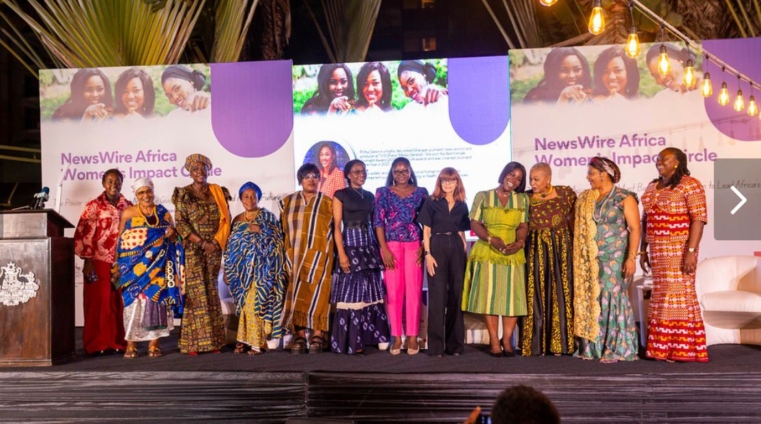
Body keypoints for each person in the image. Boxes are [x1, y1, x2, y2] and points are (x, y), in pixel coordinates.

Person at [640, 147, 708, 362]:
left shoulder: (690, 184)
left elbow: (698, 219)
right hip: (657, 251)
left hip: (679, 249)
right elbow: (645, 221)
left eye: (665, 159)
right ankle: (661, 348)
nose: (659, 162)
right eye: (658, 159)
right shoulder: (652, 186)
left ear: (677, 162)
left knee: (679, 297)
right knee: (661, 296)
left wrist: (691, 251)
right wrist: (643, 250)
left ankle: (683, 348)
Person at [573, 157, 640, 363]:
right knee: (593, 298)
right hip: (591, 259)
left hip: (616, 258)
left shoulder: (624, 197)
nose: (588, 177)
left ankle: (617, 348)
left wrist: (631, 258)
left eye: (591, 173)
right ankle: (594, 347)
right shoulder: (587, 198)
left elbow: (635, 228)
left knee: (613, 297)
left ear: (604, 174)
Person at [463, 162, 529, 357]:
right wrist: (491, 239)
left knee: (512, 299)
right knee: (489, 298)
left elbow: (523, 225)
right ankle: (494, 341)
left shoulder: (522, 199)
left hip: (513, 252)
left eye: (518, 178)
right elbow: (474, 222)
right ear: (504, 174)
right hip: (488, 249)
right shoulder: (483, 196)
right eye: (511, 174)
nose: (514, 180)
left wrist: (520, 242)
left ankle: (506, 340)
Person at [116, 177, 184, 358]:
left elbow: (175, 238)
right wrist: (117, 264)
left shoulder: (163, 213)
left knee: (156, 302)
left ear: (153, 191)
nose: (145, 195)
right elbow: (120, 241)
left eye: (148, 191)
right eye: (141, 193)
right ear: (136, 195)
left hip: (158, 267)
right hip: (132, 269)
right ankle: (131, 343)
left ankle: (154, 343)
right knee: (133, 304)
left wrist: (171, 235)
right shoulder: (128, 212)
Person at [172, 154, 230, 355]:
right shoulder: (183, 194)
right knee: (196, 293)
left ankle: (214, 342)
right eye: (195, 169)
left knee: (212, 290)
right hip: (194, 248)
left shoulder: (217, 191)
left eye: (203, 168)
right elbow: (181, 223)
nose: (199, 172)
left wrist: (215, 242)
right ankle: (193, 344)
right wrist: (202, 243)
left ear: (208, 169)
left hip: (214, 247)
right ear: (189, 172)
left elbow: (226, 219)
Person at [330, 159, 390, 354]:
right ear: (348, 175)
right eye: (356, 171)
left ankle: (374, 337)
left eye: (363, 171)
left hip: (369, 244)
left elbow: (375, 223)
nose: (361, 174)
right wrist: (342, 253)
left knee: (371, 290)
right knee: (352, 291)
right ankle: (352, 340)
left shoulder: (370, 196)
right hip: (350, 243)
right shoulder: (340, 195)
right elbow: (336, 226)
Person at [223, 182, 287, 355]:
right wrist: (228, 270)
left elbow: (278, 241)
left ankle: (257, 344)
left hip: (262, 272)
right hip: (240, 273)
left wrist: (262, 230)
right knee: (244, 307)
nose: (250, 200)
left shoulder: (267, 217)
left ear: (258, 198)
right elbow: (231, 248)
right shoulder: (237, 220)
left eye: (253, 196)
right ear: (241, 198)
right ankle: (243, 340)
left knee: (255, 305)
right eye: (246, 196)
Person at [73, 169, 131, 356]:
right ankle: (96, 344)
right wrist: (88, 261)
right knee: (99, 302)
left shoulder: (128, 206)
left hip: (122, 262)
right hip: (98, 261)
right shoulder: (94, 205)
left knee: (118, 302)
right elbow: (84, 234)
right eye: (110, 181)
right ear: (103, 183)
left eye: (117, 181)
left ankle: (118, 342)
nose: (114, 184)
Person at [374, 157, 428, 355]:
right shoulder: (383, 192)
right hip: (391, 246)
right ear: (392, 173)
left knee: (414, 292)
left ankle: (412, 337)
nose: (401, 174)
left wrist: (425, 246)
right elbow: (378, 223)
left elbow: (427, 222)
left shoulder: (421, 192)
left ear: (410, 171)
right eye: (397, 171)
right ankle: (396, 337)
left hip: (415, 245)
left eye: (405, 170)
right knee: (394, 293)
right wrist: (384, 250)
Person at [521, 162, 576, 356]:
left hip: (561, 250)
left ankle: (560, 344)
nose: (532, 183)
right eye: (531, 179)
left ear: (548, 178)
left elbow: (576, 220)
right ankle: (536, 345)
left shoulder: (566, 194)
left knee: (560, 291)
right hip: (535, 249)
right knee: (536, 291)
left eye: (536, 179)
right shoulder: (525, 198)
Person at [280, 163, 335, 354]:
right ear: (300, 180)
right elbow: (282, 231)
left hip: (321, 257)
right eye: (306, 176)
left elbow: (335, 231)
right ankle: (300, 335)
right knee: (296, 295)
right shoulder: (287, 202)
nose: (311, 179)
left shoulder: (329, 203)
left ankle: (318, 334)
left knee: (319, 295)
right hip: (294, 257)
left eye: (314, 176)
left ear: (319, 179)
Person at [418, 167, 470, 357]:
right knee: (437, 297)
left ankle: (455, 346)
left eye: (452, 180)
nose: (448, 183)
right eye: (444, 180)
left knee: (456, 296)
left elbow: (462, 232)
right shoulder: (431, 202)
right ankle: (436, 347)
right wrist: (428, 254)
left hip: (456, 246)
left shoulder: (462, 204)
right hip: (437, 246)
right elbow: (426, 230)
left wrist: (464, 255)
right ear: (440, 182)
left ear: (457, 182)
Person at [523, 47, 593, 104]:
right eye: (564, 70)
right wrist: (563, 97)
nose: (571, 75)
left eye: (577, 69)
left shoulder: (588, 94)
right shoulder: (537, 98)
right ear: (552, 72)